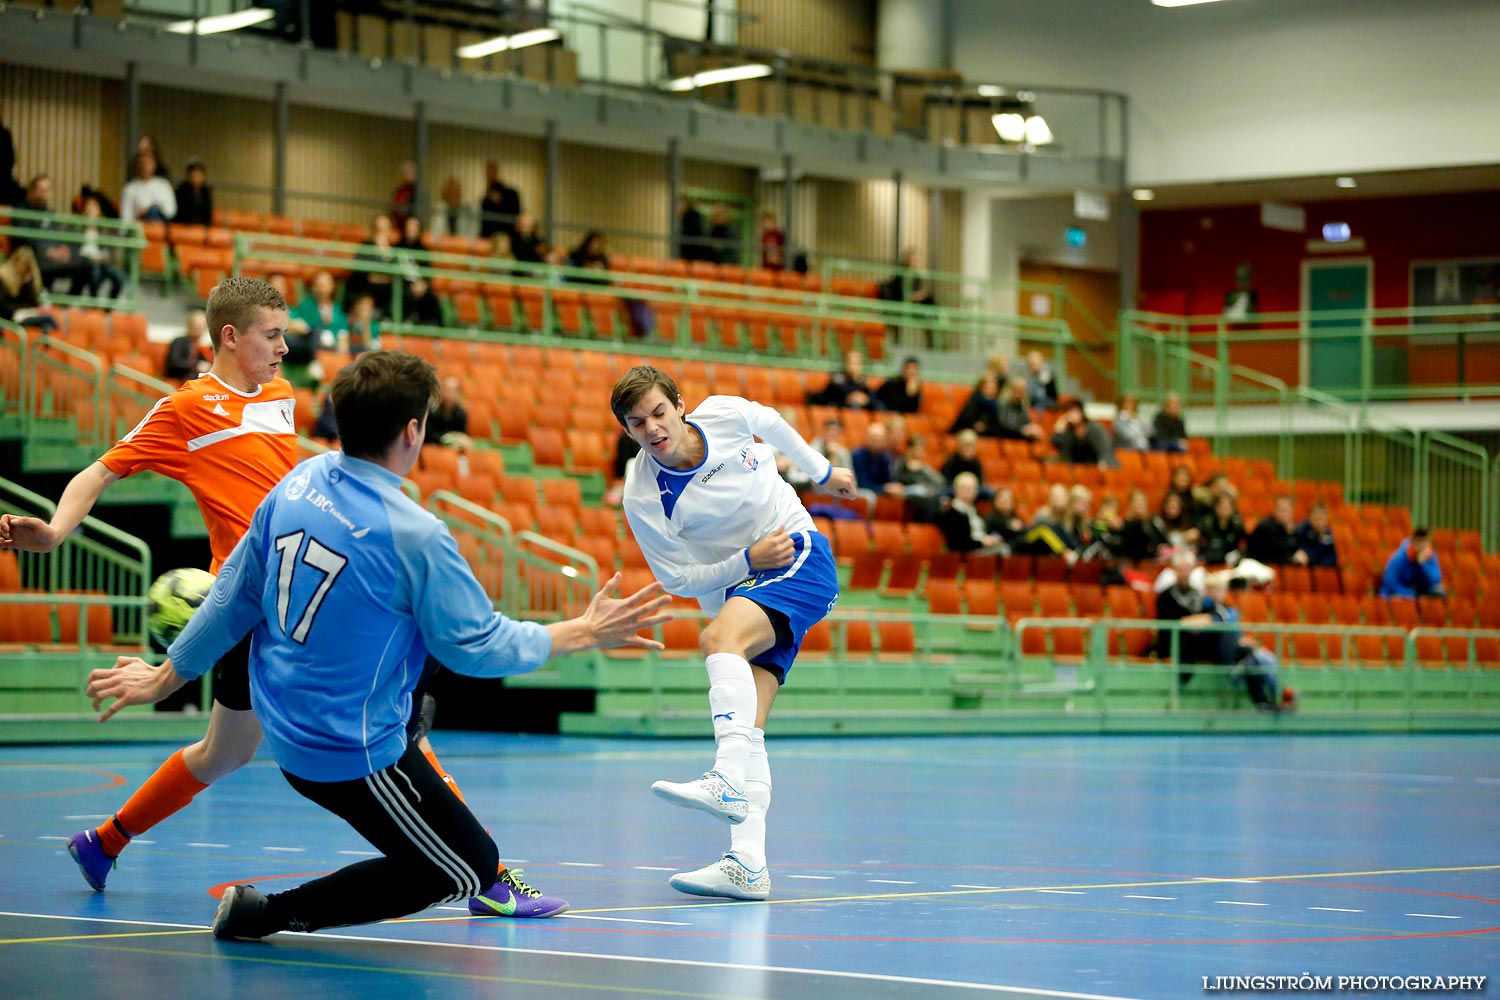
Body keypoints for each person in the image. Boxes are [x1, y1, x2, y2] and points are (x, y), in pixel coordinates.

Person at [85, 350, 673, 940]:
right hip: (347, 749)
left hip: (283, 712)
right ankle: (267, 914)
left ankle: (410, 718)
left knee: (413, 634)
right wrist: (587, 631)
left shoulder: (299, 480)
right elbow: (480, 648)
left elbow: (232, 592)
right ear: (414, 431)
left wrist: (166, 675)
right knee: (462, 869)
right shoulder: (416, 534)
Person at [612, 365, 857, 901]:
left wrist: (819, 471)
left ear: (679, 404)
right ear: (628, 433)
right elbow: (675, 578)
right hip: (741, 585)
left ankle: (724, 779)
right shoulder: (643, 494)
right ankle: (747, 863)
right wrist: (748, 558)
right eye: (637, 423)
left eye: (658, 412)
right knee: (749, 727)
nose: (652, 428)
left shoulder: (723, 415)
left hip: (797, 552)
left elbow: (770, 421)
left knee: (715, 642)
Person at [18, 174, 92, 294]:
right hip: (37, 257)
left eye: (47, 190)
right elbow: (24, 238)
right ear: (32, 191)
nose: (43, 194)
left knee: (85, 263)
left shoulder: (50, 213)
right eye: (40, 189)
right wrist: (48, 251)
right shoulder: (22, 211)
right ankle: (43, 293)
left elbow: (58, 234)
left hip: (54, 255)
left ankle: (71, 302)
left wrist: (63, 248)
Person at [285, 270, 347, 387]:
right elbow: (292, 323)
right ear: (313, 287)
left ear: (332, 286)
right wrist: (299, 326)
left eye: (325, 284)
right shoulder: (305, 305)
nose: (322, 288)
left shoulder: (337, 310)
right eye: (318, 284)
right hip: (305, 344)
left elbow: (343, 337)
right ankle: (314, 362)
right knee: (316, 331)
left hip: (330, 346)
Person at [937, 472, 1007, 556]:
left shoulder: (975, 510)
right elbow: (956, 543)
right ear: (956, 490)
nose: (968, 492)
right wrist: (982, 542)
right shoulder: (951, 514)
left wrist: (991, 539)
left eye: (971, 489)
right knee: (1004, 550)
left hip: (982, 548)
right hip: (967, 553)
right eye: (964, 488)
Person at [77, 194, 126, 299]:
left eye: (94, 206)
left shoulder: (104, 228)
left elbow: (109, 250)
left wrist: (102, 258)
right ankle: (94, 303)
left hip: (102, 261)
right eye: (88, 206)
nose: (90, 209)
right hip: (85, 261)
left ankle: (109, 306)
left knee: (119, 277)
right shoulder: (77, 226)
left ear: (99, 210)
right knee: (95, 271)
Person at [1380, 528, 1444, 599]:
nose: (1421, 546)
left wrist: (1422, 564)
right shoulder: (1399, 557)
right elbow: (1389, 583)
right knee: (1397, 598)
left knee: (1439, 591)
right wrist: (1412, 595)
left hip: (1418, 591)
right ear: (1412, 541)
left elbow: (1435, 580)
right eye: (1418, 541)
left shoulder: (1429, 555)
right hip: (1399, 591)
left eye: (1424, 542)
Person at [1050, 399, 1117, 468]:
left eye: (1074, 412)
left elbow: (1104, 447)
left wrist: (1103, 461)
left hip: (1098, 465)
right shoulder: (1069, 431)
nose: (1071, 415)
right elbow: (1056, 443)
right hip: (1079, 469)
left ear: (1081, 412)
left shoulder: (1094, 428)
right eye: (1069, 412)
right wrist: (1059, 429)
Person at [1246, 495, 1306, 566]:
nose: (1285, 514)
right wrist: (1291, 559)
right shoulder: (1265, 527)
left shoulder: (1292, 530)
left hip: (1282, 568)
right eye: (1282, 510)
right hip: (1261, 566)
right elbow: (1272, 553)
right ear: (1275, 510)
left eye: (1287, 511)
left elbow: (1296, 549)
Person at [850, 421, 900, 505]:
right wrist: (883, 489)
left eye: (880, 438)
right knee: (870, 496)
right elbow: (861, 482)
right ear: (867, 438)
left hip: (877, 490)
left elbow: (887, 481)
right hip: (859, 490)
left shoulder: (885, 458)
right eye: (874, 438)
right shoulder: (857, 456)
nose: (876, 441)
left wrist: (892, 487)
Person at [120, 151, 176, 224]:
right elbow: (125, 218)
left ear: (154, 165)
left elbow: (171, 211)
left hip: (161, 229)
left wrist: (151, 211)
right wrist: (141, 215)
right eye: (141, 163)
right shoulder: (129, 188)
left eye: (148, 163)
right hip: (139, 229)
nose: (144, 166)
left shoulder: (164, 185)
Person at [808, 350, 875, 409]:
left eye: (857, 363)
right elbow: (838, 392)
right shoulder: (837, 377)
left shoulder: (863, 381)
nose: (853, 366)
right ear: (846, 363)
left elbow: (872, 397)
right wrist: (854, 396)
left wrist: (866, 399)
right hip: (834, 408)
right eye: (851, 363)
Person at [0, 245, 47, 325]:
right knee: (46, 321)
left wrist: (27, 284)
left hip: (23, 314)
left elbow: (33, 303)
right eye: (22, 264)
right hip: (7, 317)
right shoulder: (3, 277)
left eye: (27, 266)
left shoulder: (28, 280)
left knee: (47, 320)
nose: (23, 269)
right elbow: (2, 305)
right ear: (15, 261)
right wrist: (20, 309)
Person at [1119, 488, 1169, 562]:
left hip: (1156, 560)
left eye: (1142, 501)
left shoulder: (1152, 521)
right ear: (1130, 504)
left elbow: (1165, 541)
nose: (1140, 504)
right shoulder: (1124, 525)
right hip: (1135, 562)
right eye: (1136, 501)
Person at [1196, 493, 1246, 566]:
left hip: (1230, 558)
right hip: (1210, 557)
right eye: (1222, 507)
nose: (1224, 510)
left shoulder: (1237, 524)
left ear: (1232, 510)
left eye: (1227, 508)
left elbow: (1243, 544)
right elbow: (1201, 544)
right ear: (1216, 508)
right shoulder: (1207, 523)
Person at [427, 374, 473, 452]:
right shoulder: (432, 411)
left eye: (452, 391)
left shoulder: (461, 413)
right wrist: (446, 438)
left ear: (458, 394)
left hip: (454, 450)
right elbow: (428, 436)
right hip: (434, 449)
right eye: (446, 390)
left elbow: (463, 434)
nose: (448, 394)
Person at [164, 309, 212, 382]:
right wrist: (195, 366)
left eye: (201, 327)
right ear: (189, 325)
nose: (198, 329)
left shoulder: (204, 348)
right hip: (179, 377)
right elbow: (174, 362)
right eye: (195, 326)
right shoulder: (179, 342)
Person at [949, 372, 1002, 437]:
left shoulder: (996, 405)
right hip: (964, 433)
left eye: (993, 389)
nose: (991, 391)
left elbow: (997, 425)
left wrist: (986, 427)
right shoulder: (973, 400)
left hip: (985, 436)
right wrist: (975, 425)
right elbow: (964, 420)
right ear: (981, 388)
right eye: (988, 388)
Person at [478, 161, 521, 240]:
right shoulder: (486, 196)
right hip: (489, 234)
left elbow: (515, 214)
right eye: (487, 172)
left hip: (504, 233)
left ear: (497, 172)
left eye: (491, 171)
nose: (488, 175)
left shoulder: (510, 193)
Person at [1295, 502, 1339, 567]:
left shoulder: (1328, 533)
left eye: (1323, 520)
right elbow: (1302, 553)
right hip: (1304, 569)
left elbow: (1333, 558)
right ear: (1310, 518)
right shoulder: (1303, 529)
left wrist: (1320, 564)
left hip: (1321, 570)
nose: (1320, 523)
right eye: (1317, 519)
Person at [173, 159, 213, 227]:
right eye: (194, 176)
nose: (196, 180)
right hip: (183, 225)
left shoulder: (206, 191)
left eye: (199, 176)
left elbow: (207, 214)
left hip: (201, 226)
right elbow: (180, 212)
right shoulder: (182, 190)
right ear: (189, 176)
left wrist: (202, 225)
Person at [389, 159, 417, 231]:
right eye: (405, 172)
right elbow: (396, 209)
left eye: (411, 171)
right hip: (400, 229)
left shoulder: (419, 191)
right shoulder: (400, 191)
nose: (409, 174)